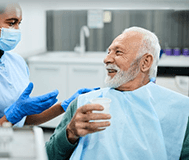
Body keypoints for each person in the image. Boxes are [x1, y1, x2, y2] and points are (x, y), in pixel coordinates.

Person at [46, 26, 189, 160]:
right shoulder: (83, 104)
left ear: (145, 62)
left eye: (118, 52)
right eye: (108, 52)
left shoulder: (180, 111)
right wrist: (69, 133)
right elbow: (49, 155)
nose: (106, 59)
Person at [0, 3, 98, 127]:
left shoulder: (17, 62)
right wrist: (13, 115)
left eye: (19, 23)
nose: (17, 30)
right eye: (11, 23)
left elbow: (26, 119)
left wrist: (66, 105)